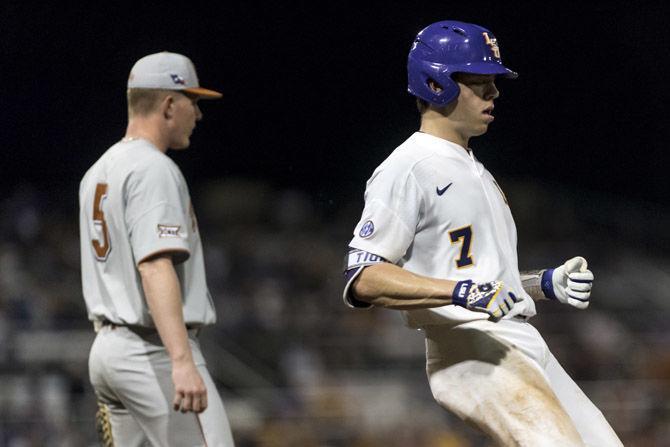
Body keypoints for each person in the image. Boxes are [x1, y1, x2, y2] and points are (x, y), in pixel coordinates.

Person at [342, 21, 622, 446]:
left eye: (493, 82)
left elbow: (482, 280)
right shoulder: (409, 166)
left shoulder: (477, 171)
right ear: (436, 83)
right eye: (480, 82)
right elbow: (363, 277)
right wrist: (460, 293)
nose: (494, 93)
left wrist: (541, 284)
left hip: (519, 339)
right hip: (469, 346)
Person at [79, 51, 235, 446]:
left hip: (108, 350)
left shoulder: (98, 170)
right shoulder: (153, 168)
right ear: (169, 104)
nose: (197, 115)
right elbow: (154, 265)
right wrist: (181, 362)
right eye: (193, 102)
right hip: (151, 350)